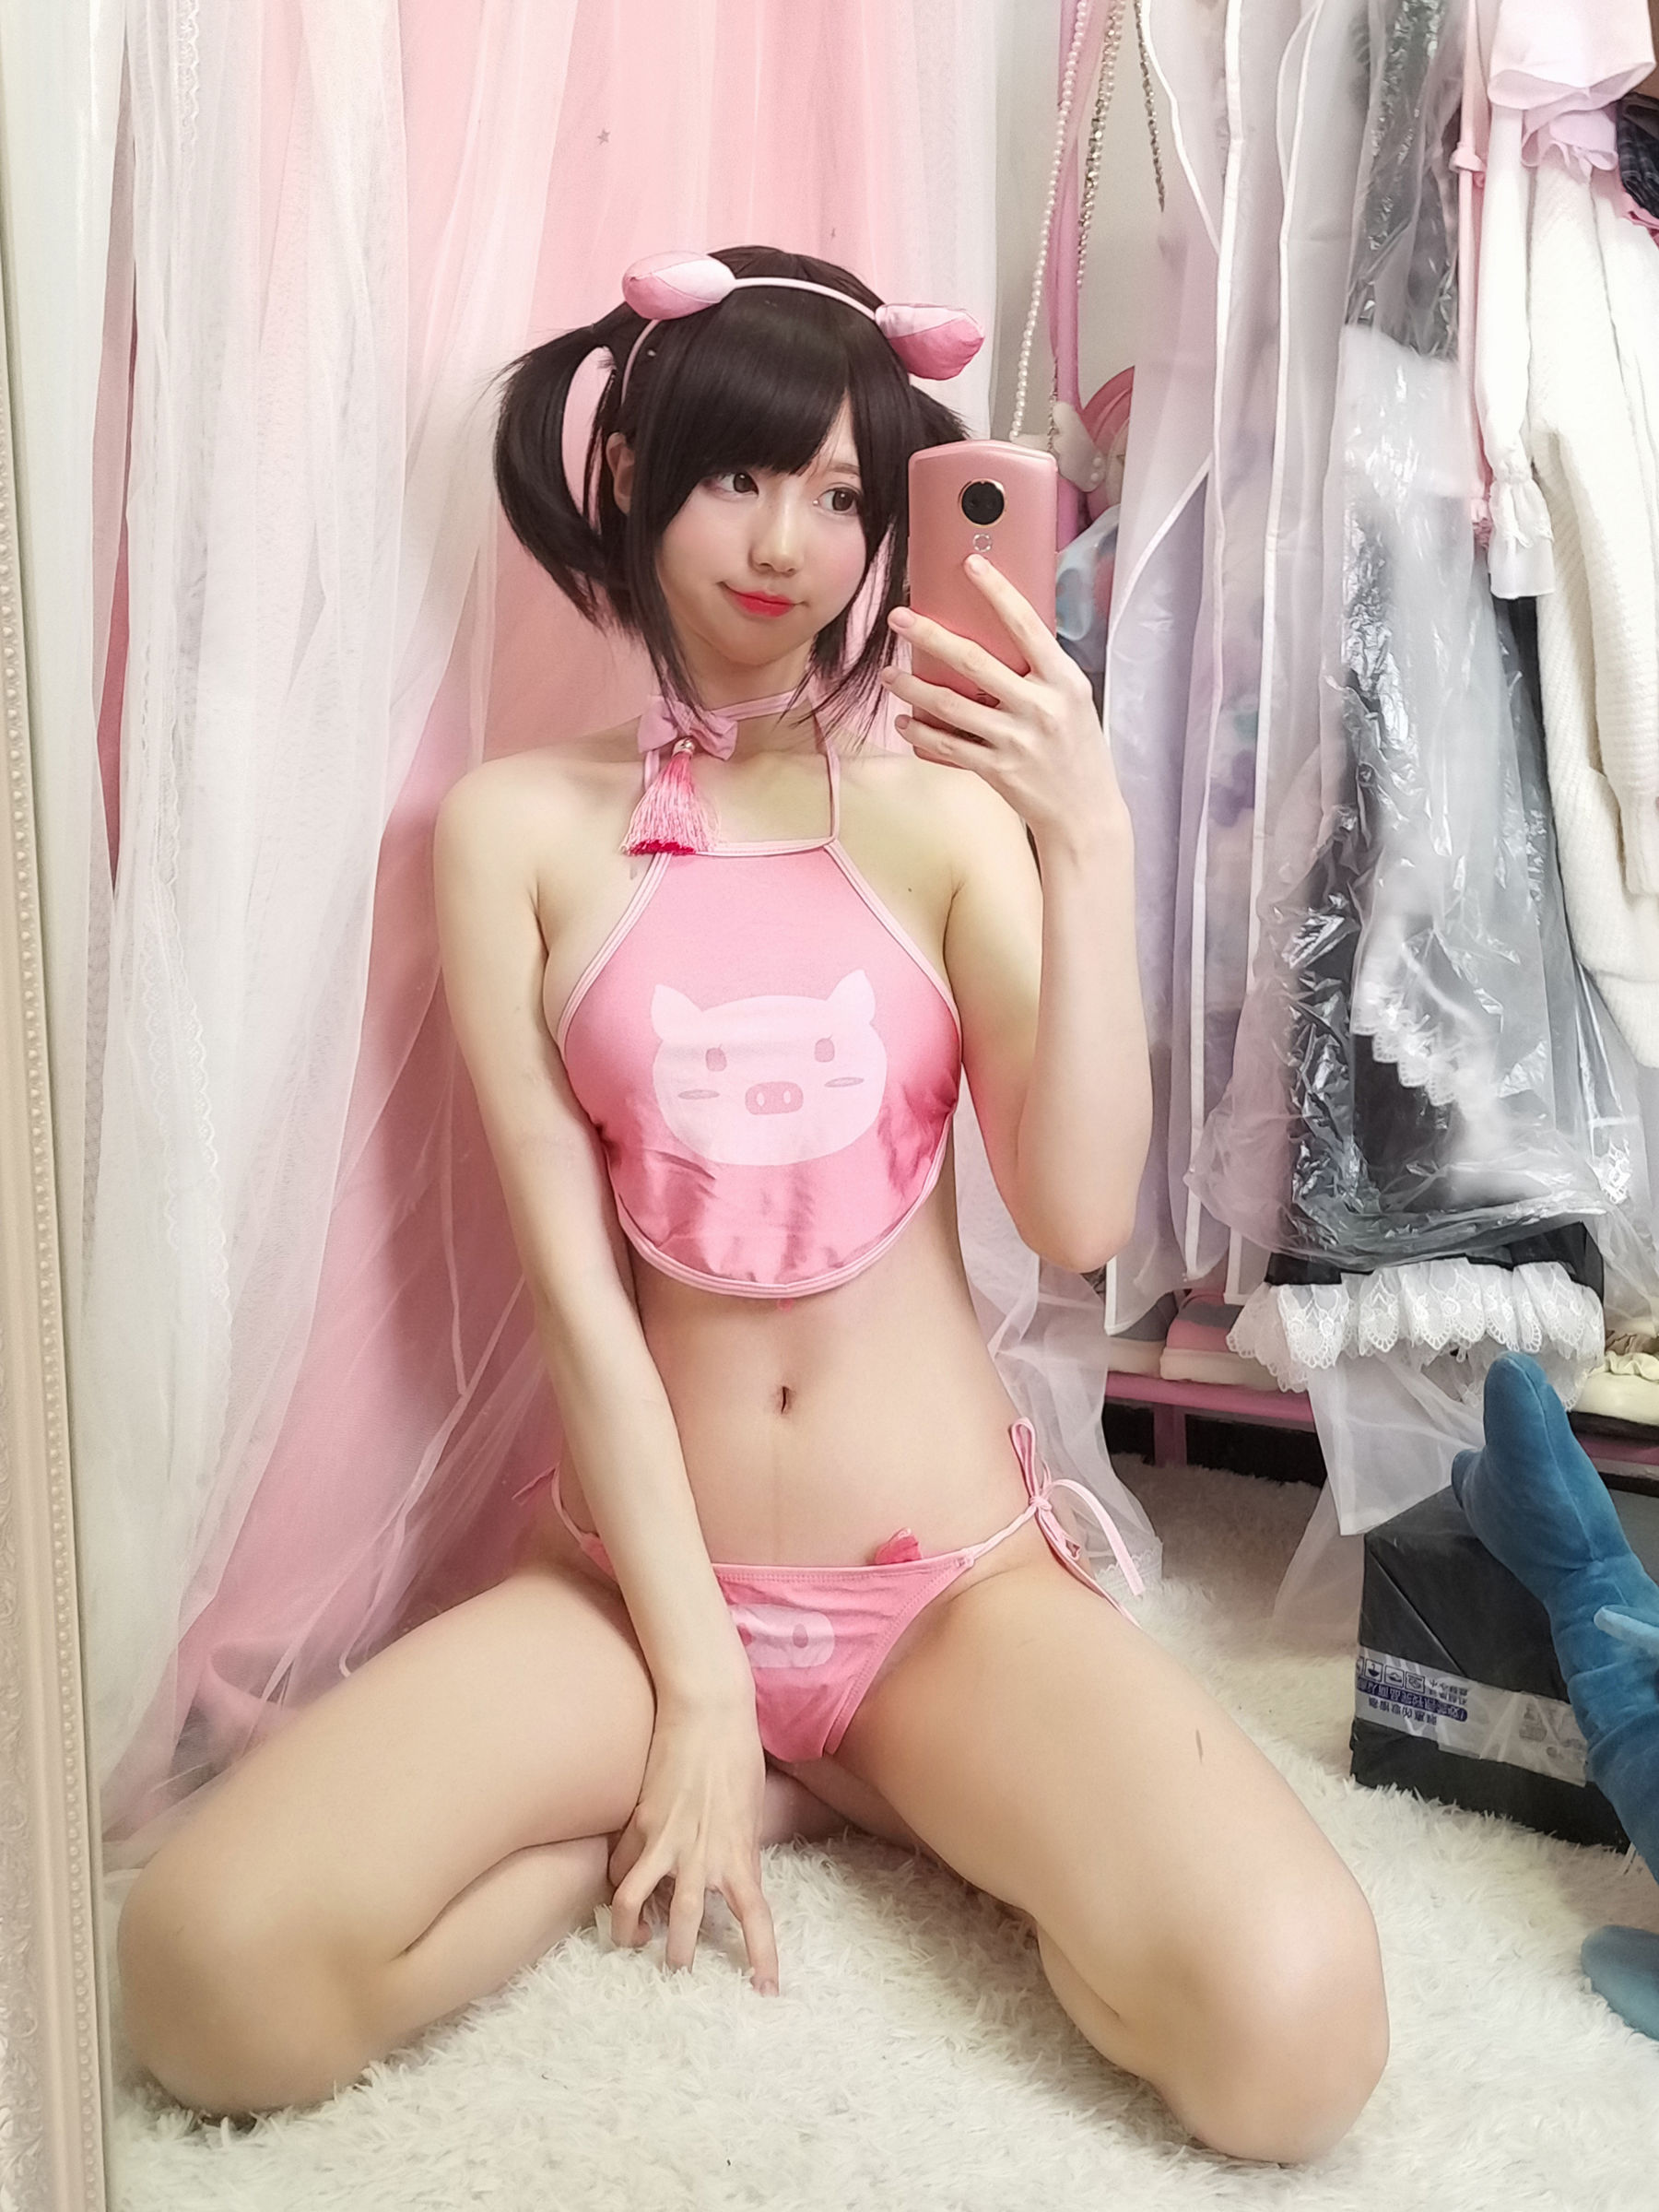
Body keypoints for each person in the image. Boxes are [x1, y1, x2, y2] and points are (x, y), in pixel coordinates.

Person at [117, 244, 1387, 2161]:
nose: (793, 543)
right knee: (204, 1979)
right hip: (631, 1592)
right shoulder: (516, 832)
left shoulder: (945, 816)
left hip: (943, 1597)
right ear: (632, 473)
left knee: (1295, 2042)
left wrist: (1087, 833)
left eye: (845, 495)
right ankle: (765, 1790)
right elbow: (575, 1301)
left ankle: (892, 1773)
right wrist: (701, 1688)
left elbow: (1072, 1214)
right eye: (738, 477)